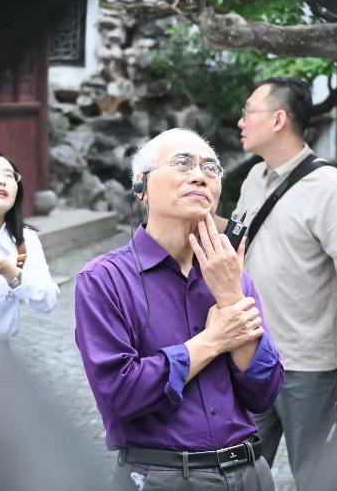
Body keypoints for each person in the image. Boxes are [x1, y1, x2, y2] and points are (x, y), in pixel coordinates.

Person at [74, 128, 284, 490]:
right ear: (141, 185)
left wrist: (231, 296)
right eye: (183, 163)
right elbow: (120, 394)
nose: (200, 175)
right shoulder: (104, 279)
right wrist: (213, 340)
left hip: (250, 472)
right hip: (164, 477)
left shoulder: (229, 274)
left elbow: (264, 393)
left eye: (211, 168)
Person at [232, 77, 337, 490]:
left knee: (314, 474)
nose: (240, 121)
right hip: (253, 356)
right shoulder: (254, 179)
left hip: (307, 365)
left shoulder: (330, 188)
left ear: (278, 120)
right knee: (239, 473)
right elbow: (239, 240)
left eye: (248, 111)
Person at [0, 151, 58, 344]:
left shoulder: (24, 241)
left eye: (9, 176)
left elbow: (47, 301)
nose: (2, 181)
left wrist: (11, 273)